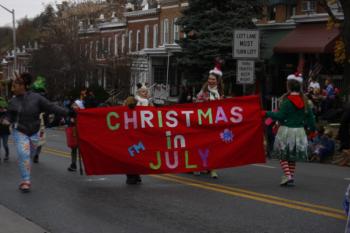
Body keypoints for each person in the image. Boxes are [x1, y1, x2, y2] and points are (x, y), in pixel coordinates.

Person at [7, 72, 68, 193]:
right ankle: (26, 181)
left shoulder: (37, 98)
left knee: (29, 155)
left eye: (15, 85)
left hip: (34, 132)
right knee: (24, 154)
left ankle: (25, 171)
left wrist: (69, 113)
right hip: (19, 131)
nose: (12, 88)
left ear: (24, 85)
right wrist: (5, 119)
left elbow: (51, 107)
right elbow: (9, 115)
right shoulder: (13, 101)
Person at [262, 72, 316, 186]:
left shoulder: (287, 102)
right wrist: (312, 130)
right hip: (300, 131)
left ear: (289, 86)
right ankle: (290, 176)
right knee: (292, 156)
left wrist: (266, 113)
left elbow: (280, 116)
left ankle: (287, 175)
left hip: (286, 130)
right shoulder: (306, 102)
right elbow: (311, 119)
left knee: (282, 155)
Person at [194, 62, 224, 179]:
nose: (210, 81)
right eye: (209, 79)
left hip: (215, 124)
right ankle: (200, 165)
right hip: (203, 123)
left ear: (217, 80)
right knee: (202, 145)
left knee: (214, 147)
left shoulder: (220, 92)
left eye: (213, 79)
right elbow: (197, 104)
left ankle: (213, 169)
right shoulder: (203, 91)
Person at [124, 96, 142, 184]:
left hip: (127, 140)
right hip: (136, 140)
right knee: (135, 157)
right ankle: (136, 175)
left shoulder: (122, 112)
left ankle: (131, 176)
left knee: (129, 159)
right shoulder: (138, 111)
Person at [67, 99, 84, 172]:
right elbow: (68, 120)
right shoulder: (71, 113)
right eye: (73, 105)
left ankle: (88, 165)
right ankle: (73, 164)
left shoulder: (82, 113)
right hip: (73, 133)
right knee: (73, 149)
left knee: (83, 150)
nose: (73, 106)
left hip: (81, 134)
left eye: (75, 105)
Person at [0, 97, 10, 162]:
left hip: (5, 131)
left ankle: (7, 154)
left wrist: (6, 121)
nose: (1, 109)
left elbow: (9, 121)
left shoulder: (7, 113)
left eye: (2, 108)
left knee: (5, 144)